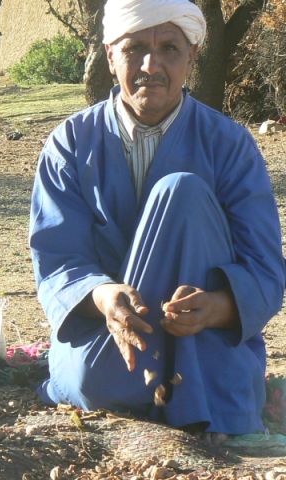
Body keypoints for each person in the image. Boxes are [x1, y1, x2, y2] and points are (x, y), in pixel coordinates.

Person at [29, 0, 285, 440]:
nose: (151, 65)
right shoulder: (69, 144)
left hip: (206, 350)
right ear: (110, 56)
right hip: (113, 345)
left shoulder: (230, 146)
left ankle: (191, 390)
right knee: (92, 381)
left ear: (192, 57)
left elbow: (265, 267)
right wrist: (104, 296)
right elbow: (58, 257)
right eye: (133, 49)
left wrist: (218, 307)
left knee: (179, 191)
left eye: (169, 47)